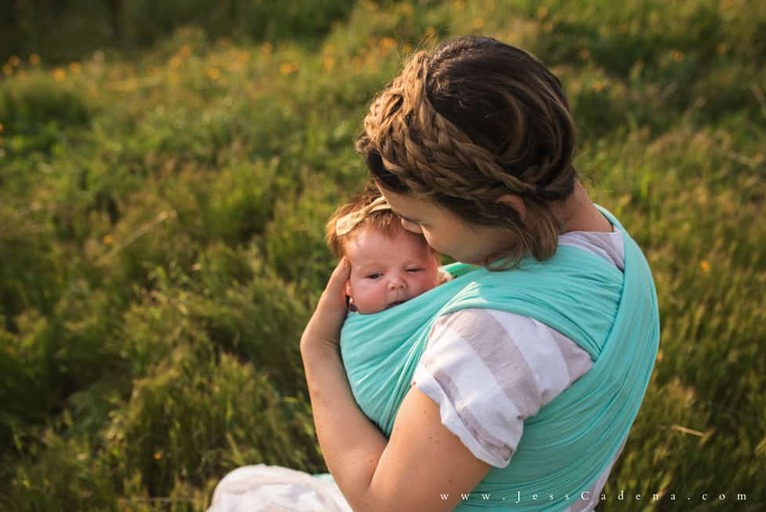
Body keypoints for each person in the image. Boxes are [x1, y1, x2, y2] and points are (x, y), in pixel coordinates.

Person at [208, 35, 659, 512]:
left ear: (505, 210)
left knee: (245, 496)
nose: (409, 231)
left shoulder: (499, 335)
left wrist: (317, 354)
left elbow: (387, 506)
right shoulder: (614, 247)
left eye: (422, 221)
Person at [324, 188, 448, 314]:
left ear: (437, 266)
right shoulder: (341, 324)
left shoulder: (451, 301)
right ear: (348, 286)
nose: (396, 283)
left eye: (413, 269)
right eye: (374, 275)